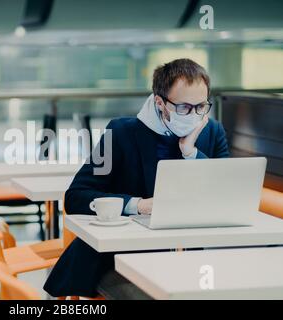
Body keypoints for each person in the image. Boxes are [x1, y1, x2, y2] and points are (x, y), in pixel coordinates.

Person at [43, 58, 230, 298]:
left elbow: (223, 195)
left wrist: (191, 152)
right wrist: (137, 205)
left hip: (191, 258)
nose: (193, 115)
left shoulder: (212, 132)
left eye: (201, 107)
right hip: (119, 260)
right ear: (160, 102)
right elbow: (77, 197)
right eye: (183, 107)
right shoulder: (120, 133)